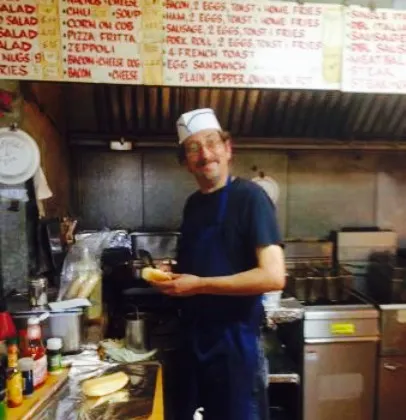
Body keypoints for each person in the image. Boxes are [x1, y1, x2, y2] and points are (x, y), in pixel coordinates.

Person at [149, 108, 285, 420]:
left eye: (212, 143)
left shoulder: (251, 198)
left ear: (228, 148)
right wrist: (172, 274)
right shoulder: (194, 204)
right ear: (186, 161)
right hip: (196, 340)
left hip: (236, 344)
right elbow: (203, 263)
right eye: (193, 148)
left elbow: (273, 276)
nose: (205, 154)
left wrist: (198, 285)